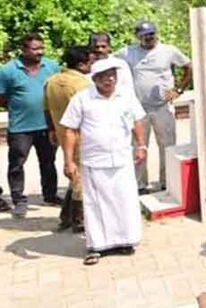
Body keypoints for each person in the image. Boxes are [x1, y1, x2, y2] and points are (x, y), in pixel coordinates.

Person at [58, 60, 147, 265]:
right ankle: (96, 246)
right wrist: (68, 161)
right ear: (95, 79)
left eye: (112, 75)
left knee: (124, 201)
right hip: (94, 162)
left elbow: (137, 120)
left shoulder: (126, 96)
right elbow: (70, 130)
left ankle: (125, 241)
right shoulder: (82, 99)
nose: (110, 79)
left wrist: (141, 145)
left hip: (123, 158)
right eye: (104, 76)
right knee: (96, 205)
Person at [116, 21, 191, 193]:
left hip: (162, 107)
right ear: (138, 37)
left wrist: (178, 89)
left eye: (151, 34)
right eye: (144, 35)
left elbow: (188, 66)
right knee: (139, 146)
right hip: (138, 109)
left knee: (168, 145)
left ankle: (167, 182)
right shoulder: (128, 52)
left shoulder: (168, 50)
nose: (148, 38)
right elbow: (108, 62)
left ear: (156, 33)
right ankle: (140, 185)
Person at [1, 33, 61, 215]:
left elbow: (58, 90)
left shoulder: (51, 66)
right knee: (17, 163)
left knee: (49, 161)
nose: (39, 52)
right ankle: (19, 200)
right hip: (21, 126)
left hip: (47, 125)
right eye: (35, 49)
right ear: (23, 50)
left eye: (41, 48)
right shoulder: (8, 70)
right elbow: (2, 97)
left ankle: (50, 194)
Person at [44, 47, 93, 231]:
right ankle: (78, 221)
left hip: (61, 132)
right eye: (90, 62)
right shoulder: (83, 85)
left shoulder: (51, 81)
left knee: (74, 175)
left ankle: (66, 217)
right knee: (81, 177)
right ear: (81, 64)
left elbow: (46, 109)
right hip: (81, 134)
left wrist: (51, 130)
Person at [88, 32, 134, 97]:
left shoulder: (120, 64)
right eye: (96, 47)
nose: (100, 50)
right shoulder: (87, 65)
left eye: (103, 46)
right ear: (90, 47)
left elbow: (128, 87)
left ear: (109, 47)